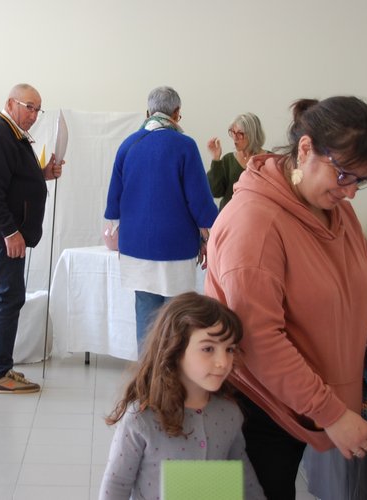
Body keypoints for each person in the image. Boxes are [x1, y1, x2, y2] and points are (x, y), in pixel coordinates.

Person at [204, 96, 367, 499]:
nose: (352, 192)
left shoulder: (336, 212)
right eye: (344, 175)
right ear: (305, 150)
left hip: (301, 404)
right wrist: (333, 413)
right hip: (254, 413)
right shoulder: (253, 222)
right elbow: (258, 340)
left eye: (362, 179)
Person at [100, 292, 266, 500]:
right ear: (175, 349)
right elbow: (116, 484)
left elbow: (243, 477)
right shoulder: (142, 418)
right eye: (208, 348)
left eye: (230, 349)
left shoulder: (229, 413)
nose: (223, 362)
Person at [104, 86, 218, 353]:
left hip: (136, 247)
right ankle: (173, 380)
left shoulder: (128, 144)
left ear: (148, 112)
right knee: (177, 316)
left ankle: (147, 382)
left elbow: (113, 202)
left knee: (146, 313)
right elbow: (199, 201)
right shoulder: (184, 145)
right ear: (177, 114)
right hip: (174, 246)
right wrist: (208, 236)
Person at [0, 83, 63, 394]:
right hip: (4, 235)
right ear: (10, 103)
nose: (34, 114)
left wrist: (42, 174)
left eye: (38, 109)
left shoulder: (10, 134)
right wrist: (10, 232)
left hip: (4, 233)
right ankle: (0, 372)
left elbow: (13, 179)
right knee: (9, 297)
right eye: (29, 106)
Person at [207, 112, 267, 210]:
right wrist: (216, 158)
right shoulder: (228, 160)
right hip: (229, 220)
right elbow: (215, 192)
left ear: (252, 135)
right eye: (233, 132)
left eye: (240, 134)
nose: (235, 138)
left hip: (257, 218)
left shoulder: (269, 160)